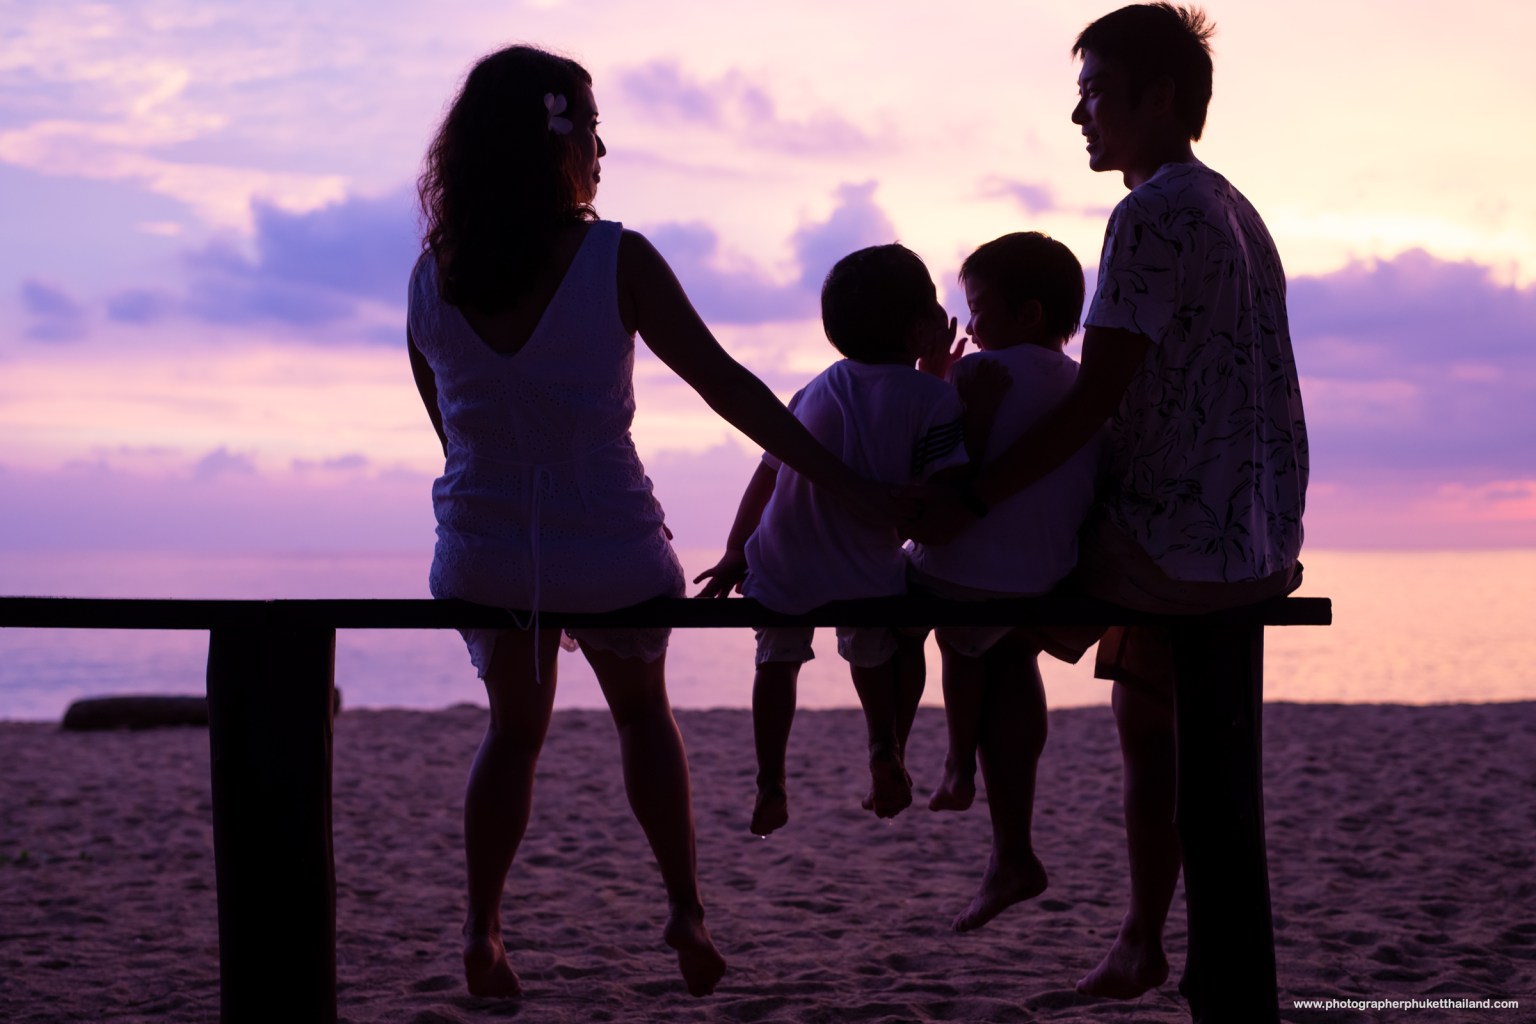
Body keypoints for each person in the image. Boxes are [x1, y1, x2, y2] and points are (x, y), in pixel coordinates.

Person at [407, 44, 882, 1001]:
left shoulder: (433, 273)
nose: (601, 152)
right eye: (590, 129)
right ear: (553, 141)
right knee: (644, 721)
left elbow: (449, 431)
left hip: (481, 552)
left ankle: (482, 928)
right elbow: (728, 388)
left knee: (512, 733)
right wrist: (846, 482)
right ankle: (684, 911)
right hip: (610, 547)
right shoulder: (614, 256)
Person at [910, 6, 1307, 1022]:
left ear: (1159, 98)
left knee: (970, 596)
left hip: (1172, 547)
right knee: (1147, 721)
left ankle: (1008, 843)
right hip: (1255, 539)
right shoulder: (1234, 209)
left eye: (1093, 91)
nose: (1077, 112)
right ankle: (1142, 938)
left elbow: (1095, 395)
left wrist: (976, 493)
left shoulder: (1148, 215)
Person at [693, 244, 968, 832]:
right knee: (879, 648)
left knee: (776, 660)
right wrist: (937, 380)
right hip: (865, 569)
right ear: (923, 329)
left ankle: (770, 781)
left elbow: (767, 477)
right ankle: (883, 747)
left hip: (781, 562)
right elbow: (939, 489)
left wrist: (735, 550)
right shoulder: (937, 399)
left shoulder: (812, 391)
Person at [908, 233, 1100, 860]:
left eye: (980, 307)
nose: (970, 322)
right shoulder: (1087, 386)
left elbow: (939, 469)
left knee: (952, 635)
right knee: (1014, 656)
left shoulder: (975, 375)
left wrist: (932, 381)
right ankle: (1011, 842)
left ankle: (957, 762)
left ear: (1029, 313)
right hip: (1048, 576)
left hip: (962, 574)